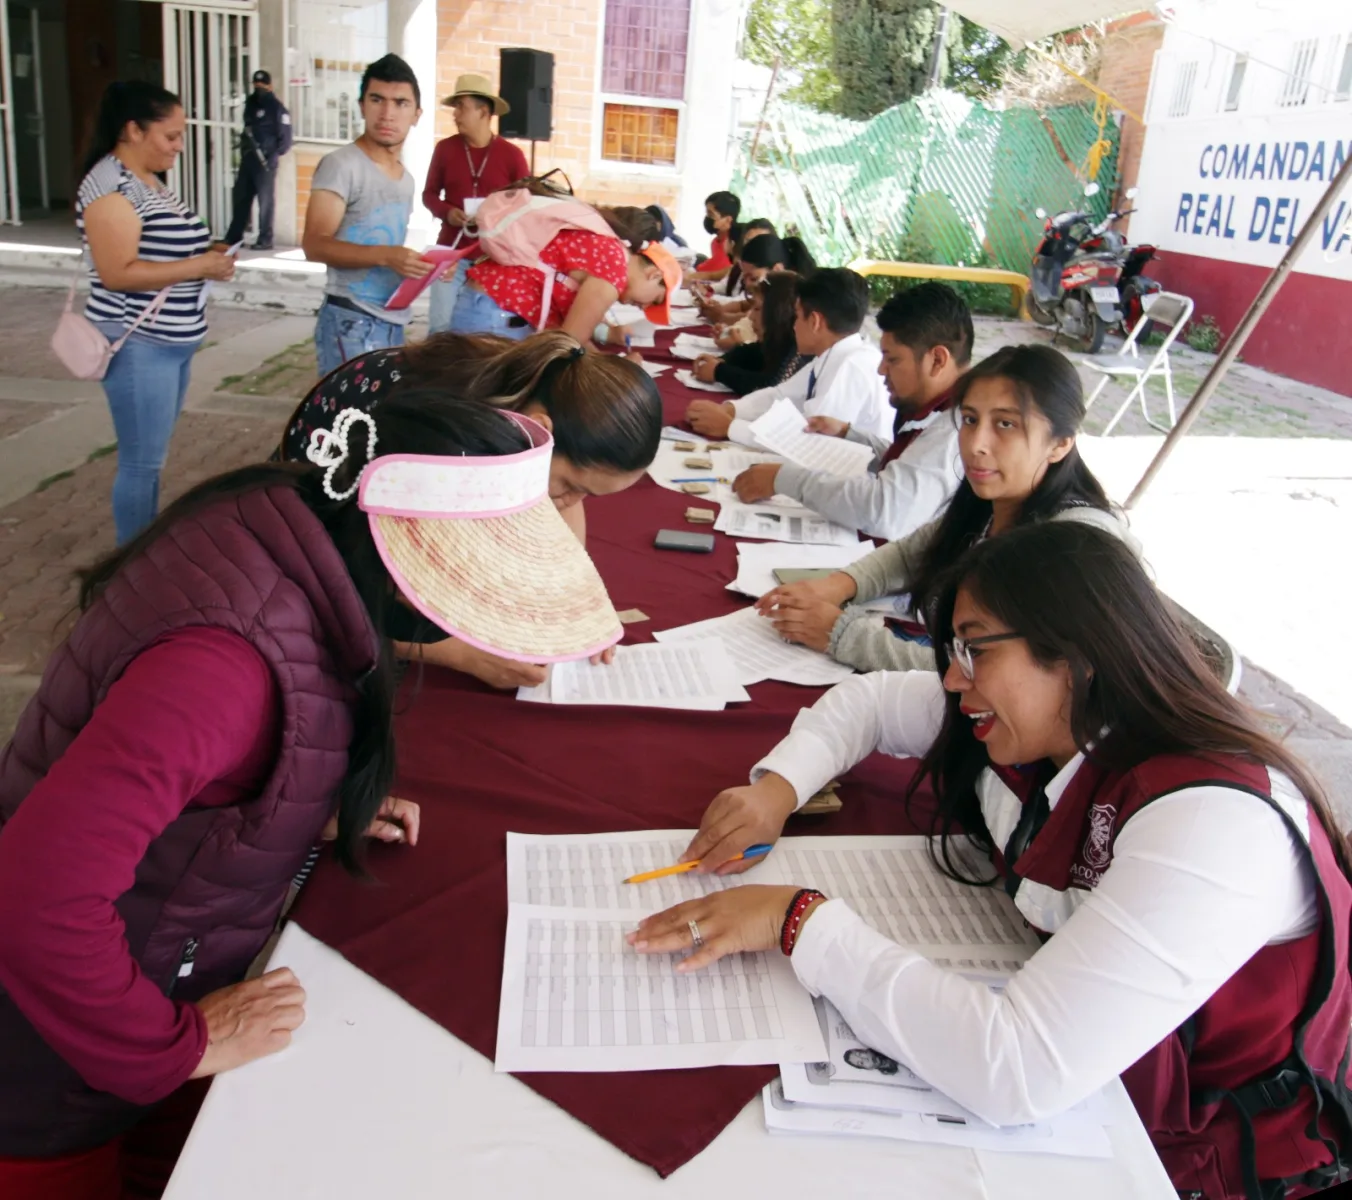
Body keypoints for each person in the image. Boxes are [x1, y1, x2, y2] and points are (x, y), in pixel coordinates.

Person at [0, 397, 622, 1198]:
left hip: (130, 986)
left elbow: (199, 775)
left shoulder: (283, 525)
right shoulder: (220, 668)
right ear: (398, 561)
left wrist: (293, 802)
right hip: (46, 1068)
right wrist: (176, 1049)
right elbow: (35, 897)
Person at [631, 520, 1352, 1200]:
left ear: (1078, 653)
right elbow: (875, 701)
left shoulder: (1212, 824)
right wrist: (779, 789)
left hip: (1208, 1154)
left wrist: (798, 921)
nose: (951, 679)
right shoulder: (1058, 724)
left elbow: (1018, 1072)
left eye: (977, 649)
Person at [278, 330, 662, 688]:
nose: (571, 503)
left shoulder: (532, 401)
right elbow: (330, 598)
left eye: (589, 496)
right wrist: (458, 655)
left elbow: (560, 516)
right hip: (313, 533)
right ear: (537, 429)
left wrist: (574, 609)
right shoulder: (436, 441)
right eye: (574, 487)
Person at [759, 342, 1132, 671]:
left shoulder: (1072, 547)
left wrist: (843, 636)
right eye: (970, 420)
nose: (976, 444)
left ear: (1060, 443)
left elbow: (988, 675)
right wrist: (838, 585)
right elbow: (913, 553)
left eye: (1005, 424)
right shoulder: (994, 496)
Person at [75, 81, 238, 546]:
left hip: (171, 342)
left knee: (152, 457)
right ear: (132, 130)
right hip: (138, 343)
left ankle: (141, 549)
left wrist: (210, 253)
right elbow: (117, 272)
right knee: (140, 463)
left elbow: (163, 248)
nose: (178, 146)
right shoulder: (110, 188)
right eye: (170, 136)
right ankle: (131, 561)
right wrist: (200, 264)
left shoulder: (148, 182)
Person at [730, 282, 972, 541]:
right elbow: (910, 462)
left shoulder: (957, 427)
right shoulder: (940, 410)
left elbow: (883, 509)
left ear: (937, 360)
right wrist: (850, 434)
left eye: (893, 359)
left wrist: (786, 479)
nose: (881, 370)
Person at [303, 54, 428, 377]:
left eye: (400, 103)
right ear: (361, 105)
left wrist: (425, 266)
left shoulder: (406, 178)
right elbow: (315, 245)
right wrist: (387, 256)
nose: (387, 113)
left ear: (416, 114)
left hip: (392, 318)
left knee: (376, 422)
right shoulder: (341, 165)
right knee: (349, 423)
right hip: (350, 319)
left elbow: (387, 245)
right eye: (377, 100)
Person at [686, 267, 892, 446]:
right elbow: (780, 396)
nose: (794, 325)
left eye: (797, 315)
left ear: (815, 321)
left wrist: (731, 427)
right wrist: (731, 409)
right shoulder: (834, 355)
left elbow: (811, 440)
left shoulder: (851, 366)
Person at [447, 198, 679, 346]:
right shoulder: (614, 270)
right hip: (494, 320)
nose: (644, 308)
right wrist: (622, 374)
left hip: (486, 308)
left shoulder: (611, 249)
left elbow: (569, 332)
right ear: (654, 275)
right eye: (654, 300)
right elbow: (567, 345)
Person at [422, 73, 530, 334]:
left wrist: (495, 217)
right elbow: (429, 194)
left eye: (462, 107)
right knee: (440, 328)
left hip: (492, 257)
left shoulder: (512, 156)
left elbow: (526, 206)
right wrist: (448, 213)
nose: (455, 114)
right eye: (455, 107)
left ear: (483, 111)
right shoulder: (445, 149)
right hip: (450, 251)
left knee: (483, 331)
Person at [691, 272, 810, 395]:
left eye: (757, 309)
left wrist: (719, 372)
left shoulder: (797, 347)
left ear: (778, 314)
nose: (751, 317)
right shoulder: (777, 340)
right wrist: (722, 361)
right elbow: (754, 353)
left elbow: (770, 387)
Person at [223, 70, 293, 251]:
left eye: (262, 85)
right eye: (256, 85)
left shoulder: (278, 109)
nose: (259, 88)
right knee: (241, 199)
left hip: (266, 162)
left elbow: (285, 140)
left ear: (270, 86)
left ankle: (265, 239)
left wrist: (273, 156)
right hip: (249, 160)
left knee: (265, 202)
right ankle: (233, 237)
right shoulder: (250, 105)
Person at [686, 190, 740, 283]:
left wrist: (694, 273)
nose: (707, 218)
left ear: (728, 220)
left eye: (711, 214)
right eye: (707, 213)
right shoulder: (716, 242)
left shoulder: (732, 243)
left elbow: (716, 268)